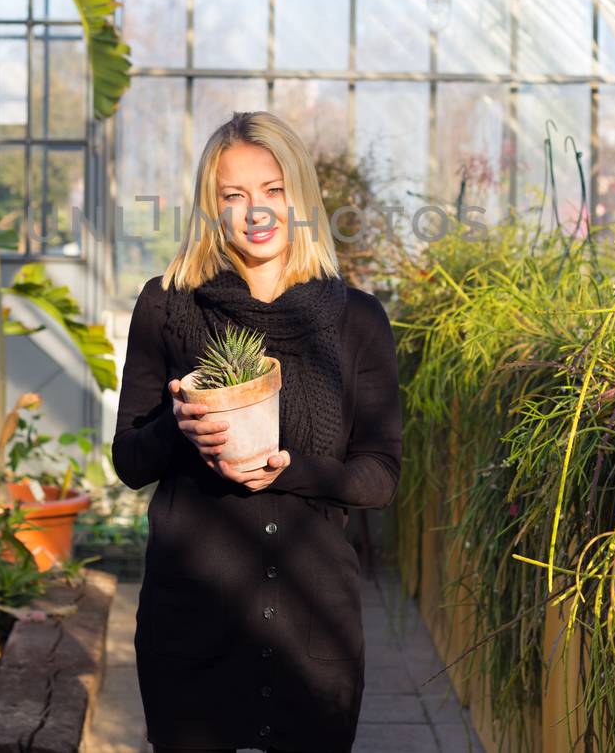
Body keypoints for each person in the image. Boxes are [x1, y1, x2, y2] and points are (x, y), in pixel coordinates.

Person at [111, 110, 403, 753]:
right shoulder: (166, 304)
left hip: (313, 629)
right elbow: (129, 458)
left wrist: (293, 468)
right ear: (210, 207)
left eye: (273, 190)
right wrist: (177, 428)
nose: (256, 211)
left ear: (299, 195)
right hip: (192, 622)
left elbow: (380, 474)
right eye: (233, 195)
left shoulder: (357, 319)